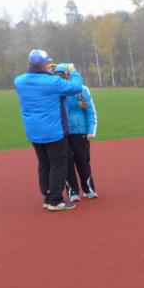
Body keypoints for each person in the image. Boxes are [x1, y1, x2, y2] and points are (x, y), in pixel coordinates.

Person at [14, 49, 83, 211]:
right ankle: (55, 200)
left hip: (33, 131)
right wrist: (73, 71)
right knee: (58, 164)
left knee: (44, 164)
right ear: (44, 64)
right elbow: (76, 87)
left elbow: (38, 84)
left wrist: (47, 74)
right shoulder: (53, 82)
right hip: (53, 131)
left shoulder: (19, 81)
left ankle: (47, 196)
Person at [53, 63, 99, 201]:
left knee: (83, 161)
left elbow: (90, 111)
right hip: (62, 133)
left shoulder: (82, 90)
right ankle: (73, 191)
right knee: (67, 163)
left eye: (62, 75)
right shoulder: (55, 90)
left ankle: (88, 188)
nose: (59, 78)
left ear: (68, 75)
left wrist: (91, 130)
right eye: (56, 75)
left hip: (80, 132)